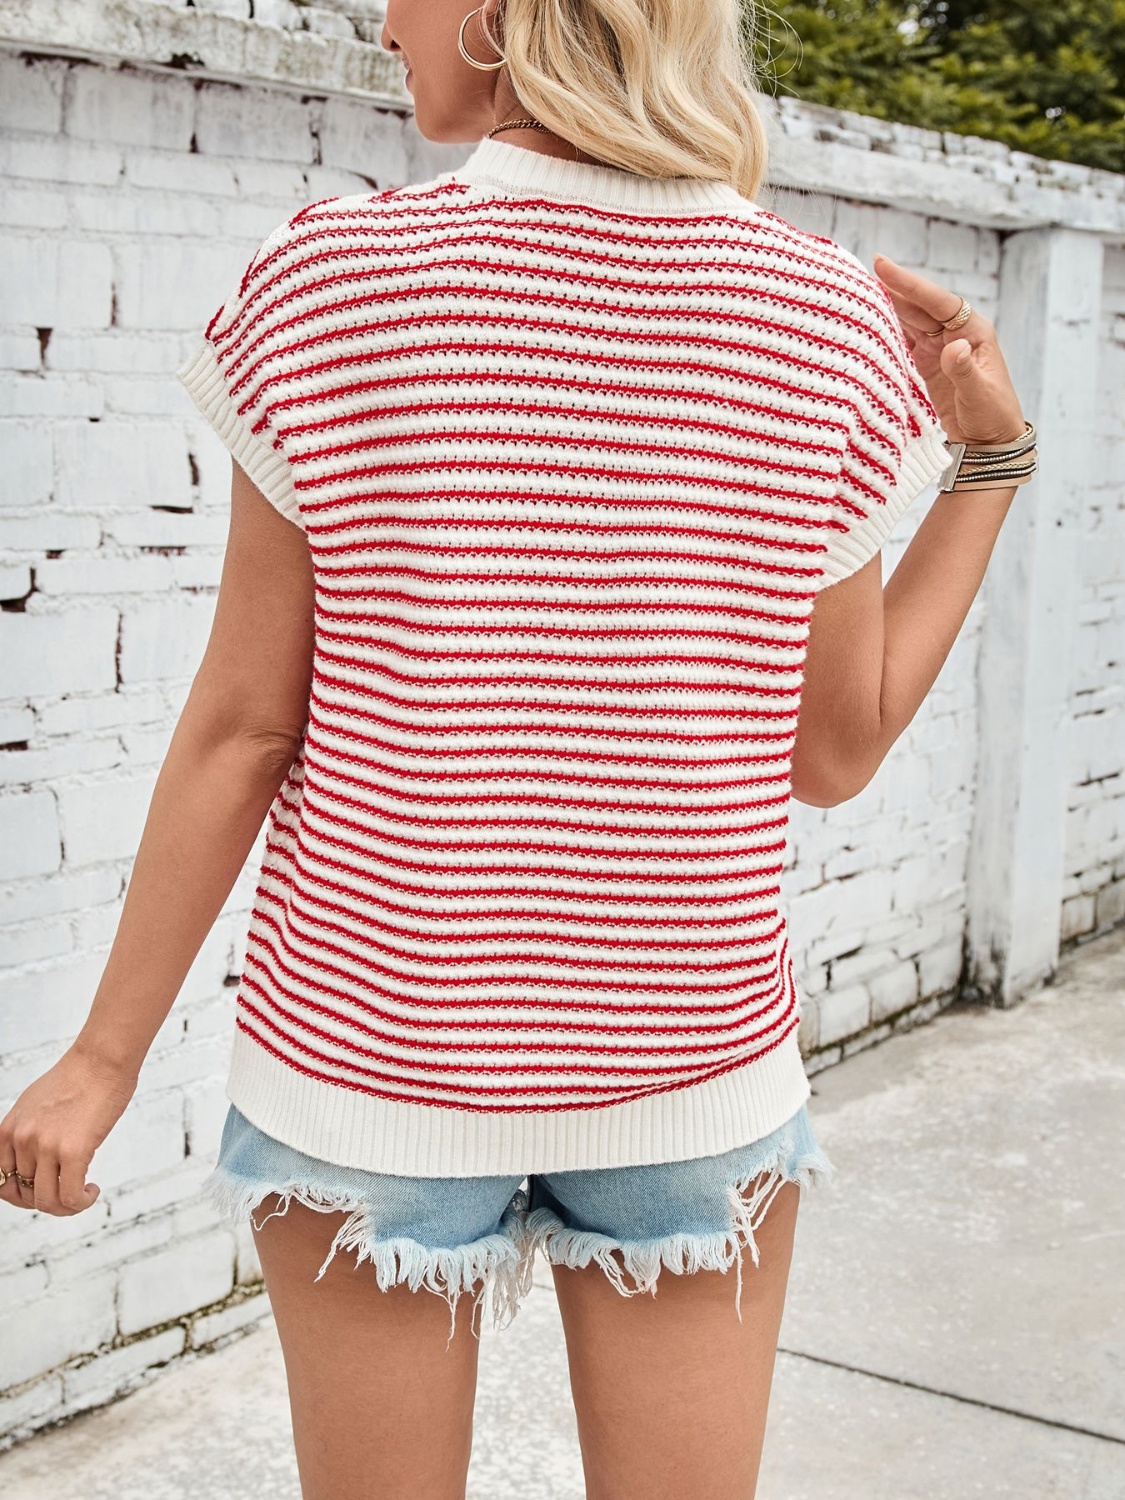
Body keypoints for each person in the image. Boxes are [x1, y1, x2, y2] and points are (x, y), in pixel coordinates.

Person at [0, 1, 1036, 1495]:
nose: (381, 20)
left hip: (368, 1059)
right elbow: (835, 752)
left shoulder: (332, 281)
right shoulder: (822, 317)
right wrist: (988, 464)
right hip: (687, 1058)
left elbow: (244, 724)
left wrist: (103, 1059)